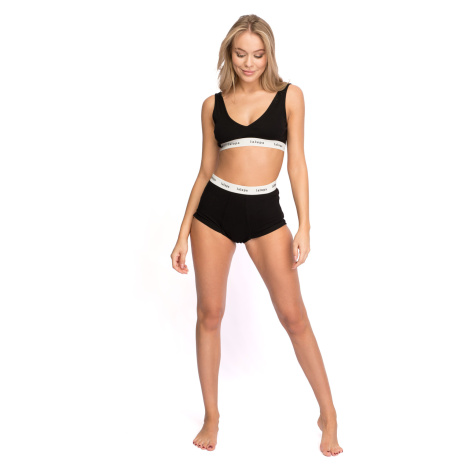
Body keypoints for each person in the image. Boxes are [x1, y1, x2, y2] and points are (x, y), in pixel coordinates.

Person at [170, 14, 343, 456]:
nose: (249, 63)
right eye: (241, 54)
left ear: (269, 55)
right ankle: (212, 415)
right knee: (210, 314)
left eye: (258, 54)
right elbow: (205, 170)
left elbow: (297, 164)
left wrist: (305, 224)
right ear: (229, 54)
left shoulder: (290, 97)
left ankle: (328, 414)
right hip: (214, 213)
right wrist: (182, 232)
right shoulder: (212, 105)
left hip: (265, 213)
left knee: (294, 317)